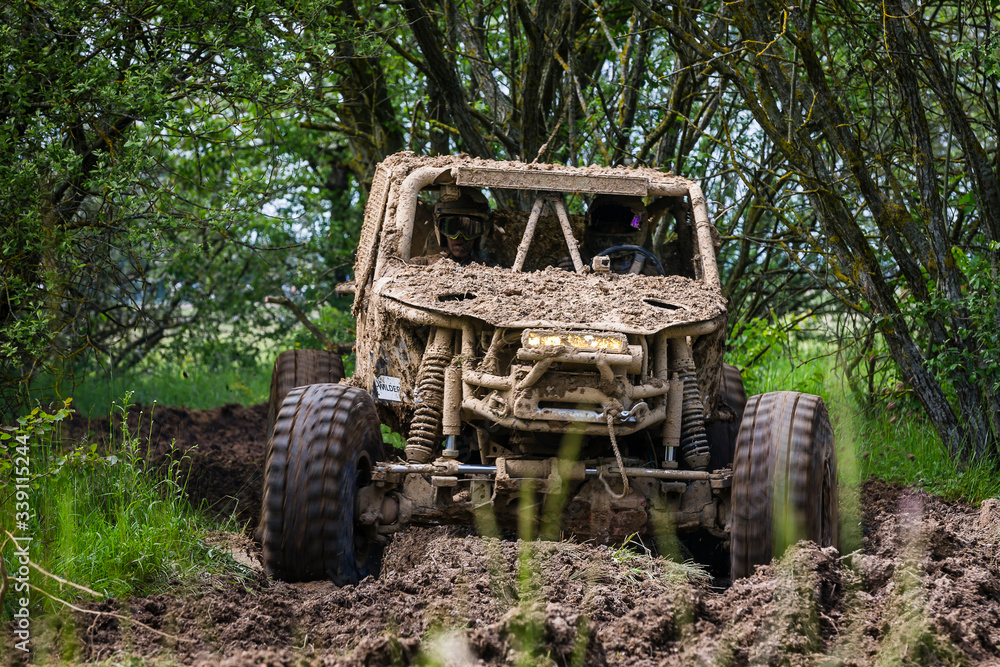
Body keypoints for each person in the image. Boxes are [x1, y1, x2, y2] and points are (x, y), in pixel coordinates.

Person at [561, 194, 663, 275]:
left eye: (619, 226)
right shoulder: (577, 260)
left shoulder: (647, 266)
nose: (612, 230)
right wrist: (566, 273)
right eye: (606, 225)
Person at [411, 188, 493, 266]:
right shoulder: (424, 264)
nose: (460, 235)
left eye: (469, 229)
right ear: (441, 233)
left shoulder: (492, 269)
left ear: (480, 234)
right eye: (452, 228)